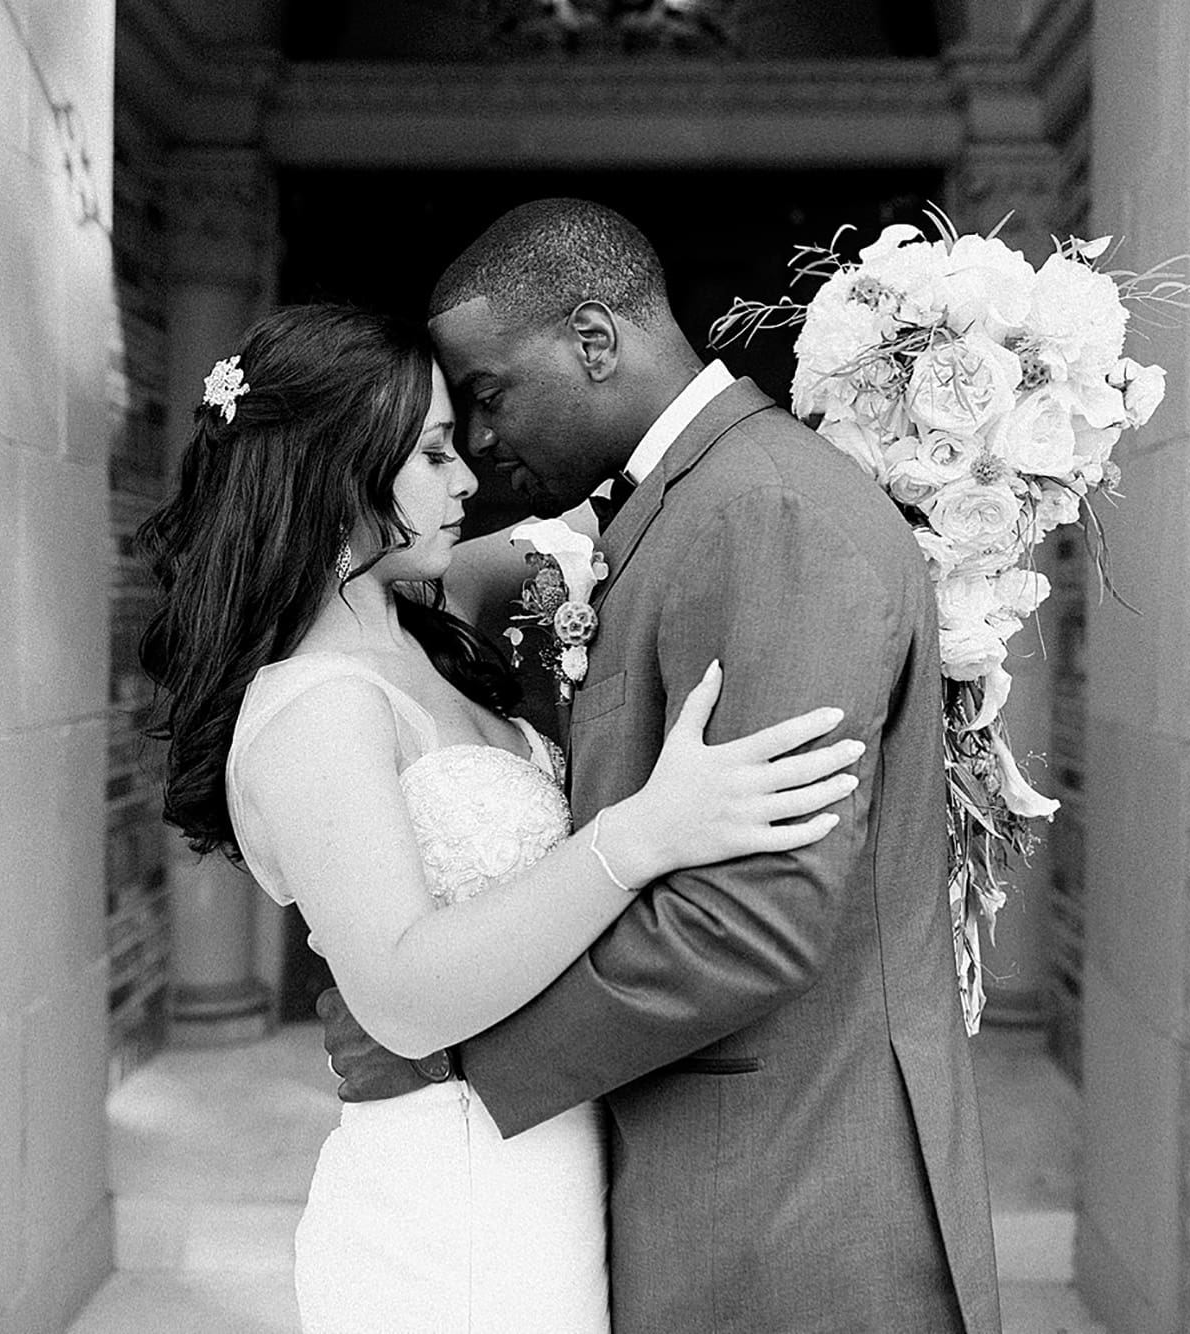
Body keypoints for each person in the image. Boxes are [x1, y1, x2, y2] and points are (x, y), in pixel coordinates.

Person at [321, 199, 1003, 1333]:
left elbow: (750, 919)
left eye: (488, 394)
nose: (478, 441)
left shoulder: (766, 511)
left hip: (795, 1211)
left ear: (594, 340)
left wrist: (456, 1052)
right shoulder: (688, 503)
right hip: (722, 1195)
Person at [135, 303, 866, 1333]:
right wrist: (641, 835)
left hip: (545, 1158)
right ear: (335, 472)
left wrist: (893, 438)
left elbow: (653, 503)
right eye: (433, 453)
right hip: (449, 1202)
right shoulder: (315, 707)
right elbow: (400, 994)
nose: (467, 479)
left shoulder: (431, 615)